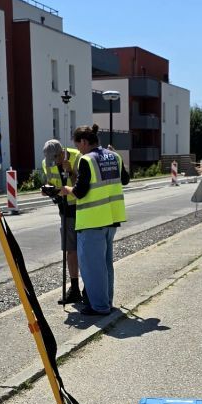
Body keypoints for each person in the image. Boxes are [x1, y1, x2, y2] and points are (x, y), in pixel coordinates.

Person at [60, 123, 129, 316]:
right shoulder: (114, 156)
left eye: (78, 145)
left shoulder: (87, 160)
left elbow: (80, 192)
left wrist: (66, 190)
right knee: (105, 265)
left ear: (83, 142)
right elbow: (125, 180)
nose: (78, 150)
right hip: (111, 219)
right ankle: (106, 302)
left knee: (92, 268)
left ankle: (99, 306)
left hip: (92, 221)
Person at [41, 139, 83, 304]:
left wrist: (71, 171)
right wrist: (47, 189)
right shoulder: (46, 163)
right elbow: (51, 182)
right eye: (50, 160)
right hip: (64, 211)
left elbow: (83, 186)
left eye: (56, 158)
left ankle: (89, 288)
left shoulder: (77, 157)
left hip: (81, 209)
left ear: (62, 152)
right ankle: (74, 289)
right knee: (70, 250)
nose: (54, 163)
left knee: (84, 251)